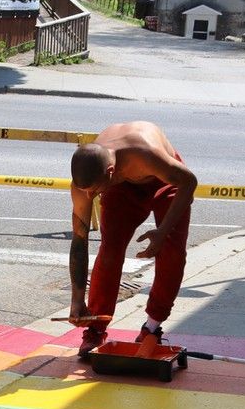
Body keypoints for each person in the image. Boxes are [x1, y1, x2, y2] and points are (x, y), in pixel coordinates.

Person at [68, 121, 198, 359]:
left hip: (165, 181)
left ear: (110, 172)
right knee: (110, 249)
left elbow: (189, 182)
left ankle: (151, 327)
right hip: (123, 187)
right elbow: (79, 240)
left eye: (95, 191)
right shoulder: (85, 182)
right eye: (85, 190)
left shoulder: (146, 154)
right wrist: (77, 300)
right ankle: (95, 327)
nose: (89, 196)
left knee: (172, 250)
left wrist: (162, 232)